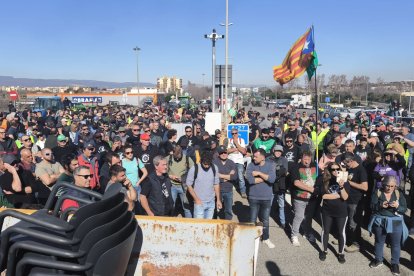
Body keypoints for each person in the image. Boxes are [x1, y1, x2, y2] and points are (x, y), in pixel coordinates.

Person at [368, 176, 408, 276]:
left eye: (392, 186)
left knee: (395, 244)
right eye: (387, 185)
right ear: (383, 184)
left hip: (396, 222)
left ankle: (395, 264)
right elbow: (371, 206)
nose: (389, 188)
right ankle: (378, 259)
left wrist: (397, 206)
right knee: (379, 242)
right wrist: (380, 205)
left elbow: (404, 209)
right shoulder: (378, 192)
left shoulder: (399, 194)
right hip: (380, 221)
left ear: (395, 186)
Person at [318, 162, 350, 263]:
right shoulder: (324, 180)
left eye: (338, 169)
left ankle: (341, 253)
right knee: (325, 231)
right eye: (333, 169)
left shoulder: (344, 181)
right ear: (329, 170)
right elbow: (324, 196)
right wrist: (338, 195)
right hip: (327, 211)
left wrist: (341, 187)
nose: (335, 171)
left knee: (341, 232)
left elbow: (345, 197)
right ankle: (324, 250)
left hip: (341, 211)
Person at [246, 149, 277, 249]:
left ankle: (266, 238)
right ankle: (251, 239)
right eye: (253, 156)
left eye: (256, 157)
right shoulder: (251, 165)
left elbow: (272, 179)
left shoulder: (271, 165)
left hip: (266, 197)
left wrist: (259, 173)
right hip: (253, 197)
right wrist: (266, 178)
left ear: (263, 157)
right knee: (252, 219)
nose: (253, 158)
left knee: (265, 220)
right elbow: (250, 180)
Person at [290, 150, 319, 246]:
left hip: (312, 198)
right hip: (299, 197)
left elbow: (319, 178)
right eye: (305, 159)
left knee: (309, 217)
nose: (307, 161)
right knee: (299, 216)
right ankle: (294, 235)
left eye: (309, 159)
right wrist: (311, 189)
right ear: (301, 159)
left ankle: (307, 232)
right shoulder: (295, 167)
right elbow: (296, 182)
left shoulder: (315, 166)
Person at [342, 152, 368, 253]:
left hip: (355, 200)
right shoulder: (349, 168)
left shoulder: (361, 170)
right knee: (347, 222)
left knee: (353, 223)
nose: (345, 165)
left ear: (351, 161)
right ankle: (348, 240)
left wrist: (349, 182)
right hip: (347, 198)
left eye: (346, 163)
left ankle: (356, 244)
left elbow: (365, 187)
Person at [186, 151, 222, 219]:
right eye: (205, 164)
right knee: (199, 227)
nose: (206, 166)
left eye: (208, 164)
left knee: (208, 226)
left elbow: (216, 184)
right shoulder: (194, 168)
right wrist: (196, 199)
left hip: (211, 202)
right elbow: (188, 185)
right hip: (199, 203)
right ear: (201, 160)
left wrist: (218, 200)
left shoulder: (215, 168)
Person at [167, 145, 194, 218]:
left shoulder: (187, 159)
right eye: (176, 157)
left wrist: (183, 178)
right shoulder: (168, 158)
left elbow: (194, 171)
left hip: (184, 186)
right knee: (171, 206)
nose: (177, 158)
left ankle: (189, 224)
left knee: (186, 207)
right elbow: (162, 170)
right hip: (172, 186)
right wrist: (170, 176)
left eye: (179, 157)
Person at [214, 146, 237, 220]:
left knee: (228, 210)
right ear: (219, 154)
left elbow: (234, 177)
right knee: (215, 210)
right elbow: (213, 176)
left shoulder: (231, 163)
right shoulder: (214, 162)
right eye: (221, 153)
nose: (223, 154)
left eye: (225, 152)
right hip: (217, 190)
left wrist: (220, 175)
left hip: (228, 190)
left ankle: (228, 225)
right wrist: (227, 177)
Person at [267, 145, 288, 228]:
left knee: (281, 204)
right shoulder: (268, 159)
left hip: (280, 184)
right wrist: (278, 169)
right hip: (271, 184)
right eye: (276, 151)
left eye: (279, 151)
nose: (278, 153)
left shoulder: (284, 159)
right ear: (273, 151)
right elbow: (268, 170)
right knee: (269, 204)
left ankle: (282, 222)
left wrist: (275, 170)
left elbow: (285, 171)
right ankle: (266, 220)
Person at [227, 128, 247, 198]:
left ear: (238, 133)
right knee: (230, 176)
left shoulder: (242, 140)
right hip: (231, 161)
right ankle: (229, 191)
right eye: (233, 133)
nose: (234, 135)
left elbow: (244, 151)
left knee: (241, 177)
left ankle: (243, 192)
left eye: (235, 133)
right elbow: (227, 151)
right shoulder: (229, 140)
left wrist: (236, 143)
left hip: (239, 161)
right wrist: (236, 149)